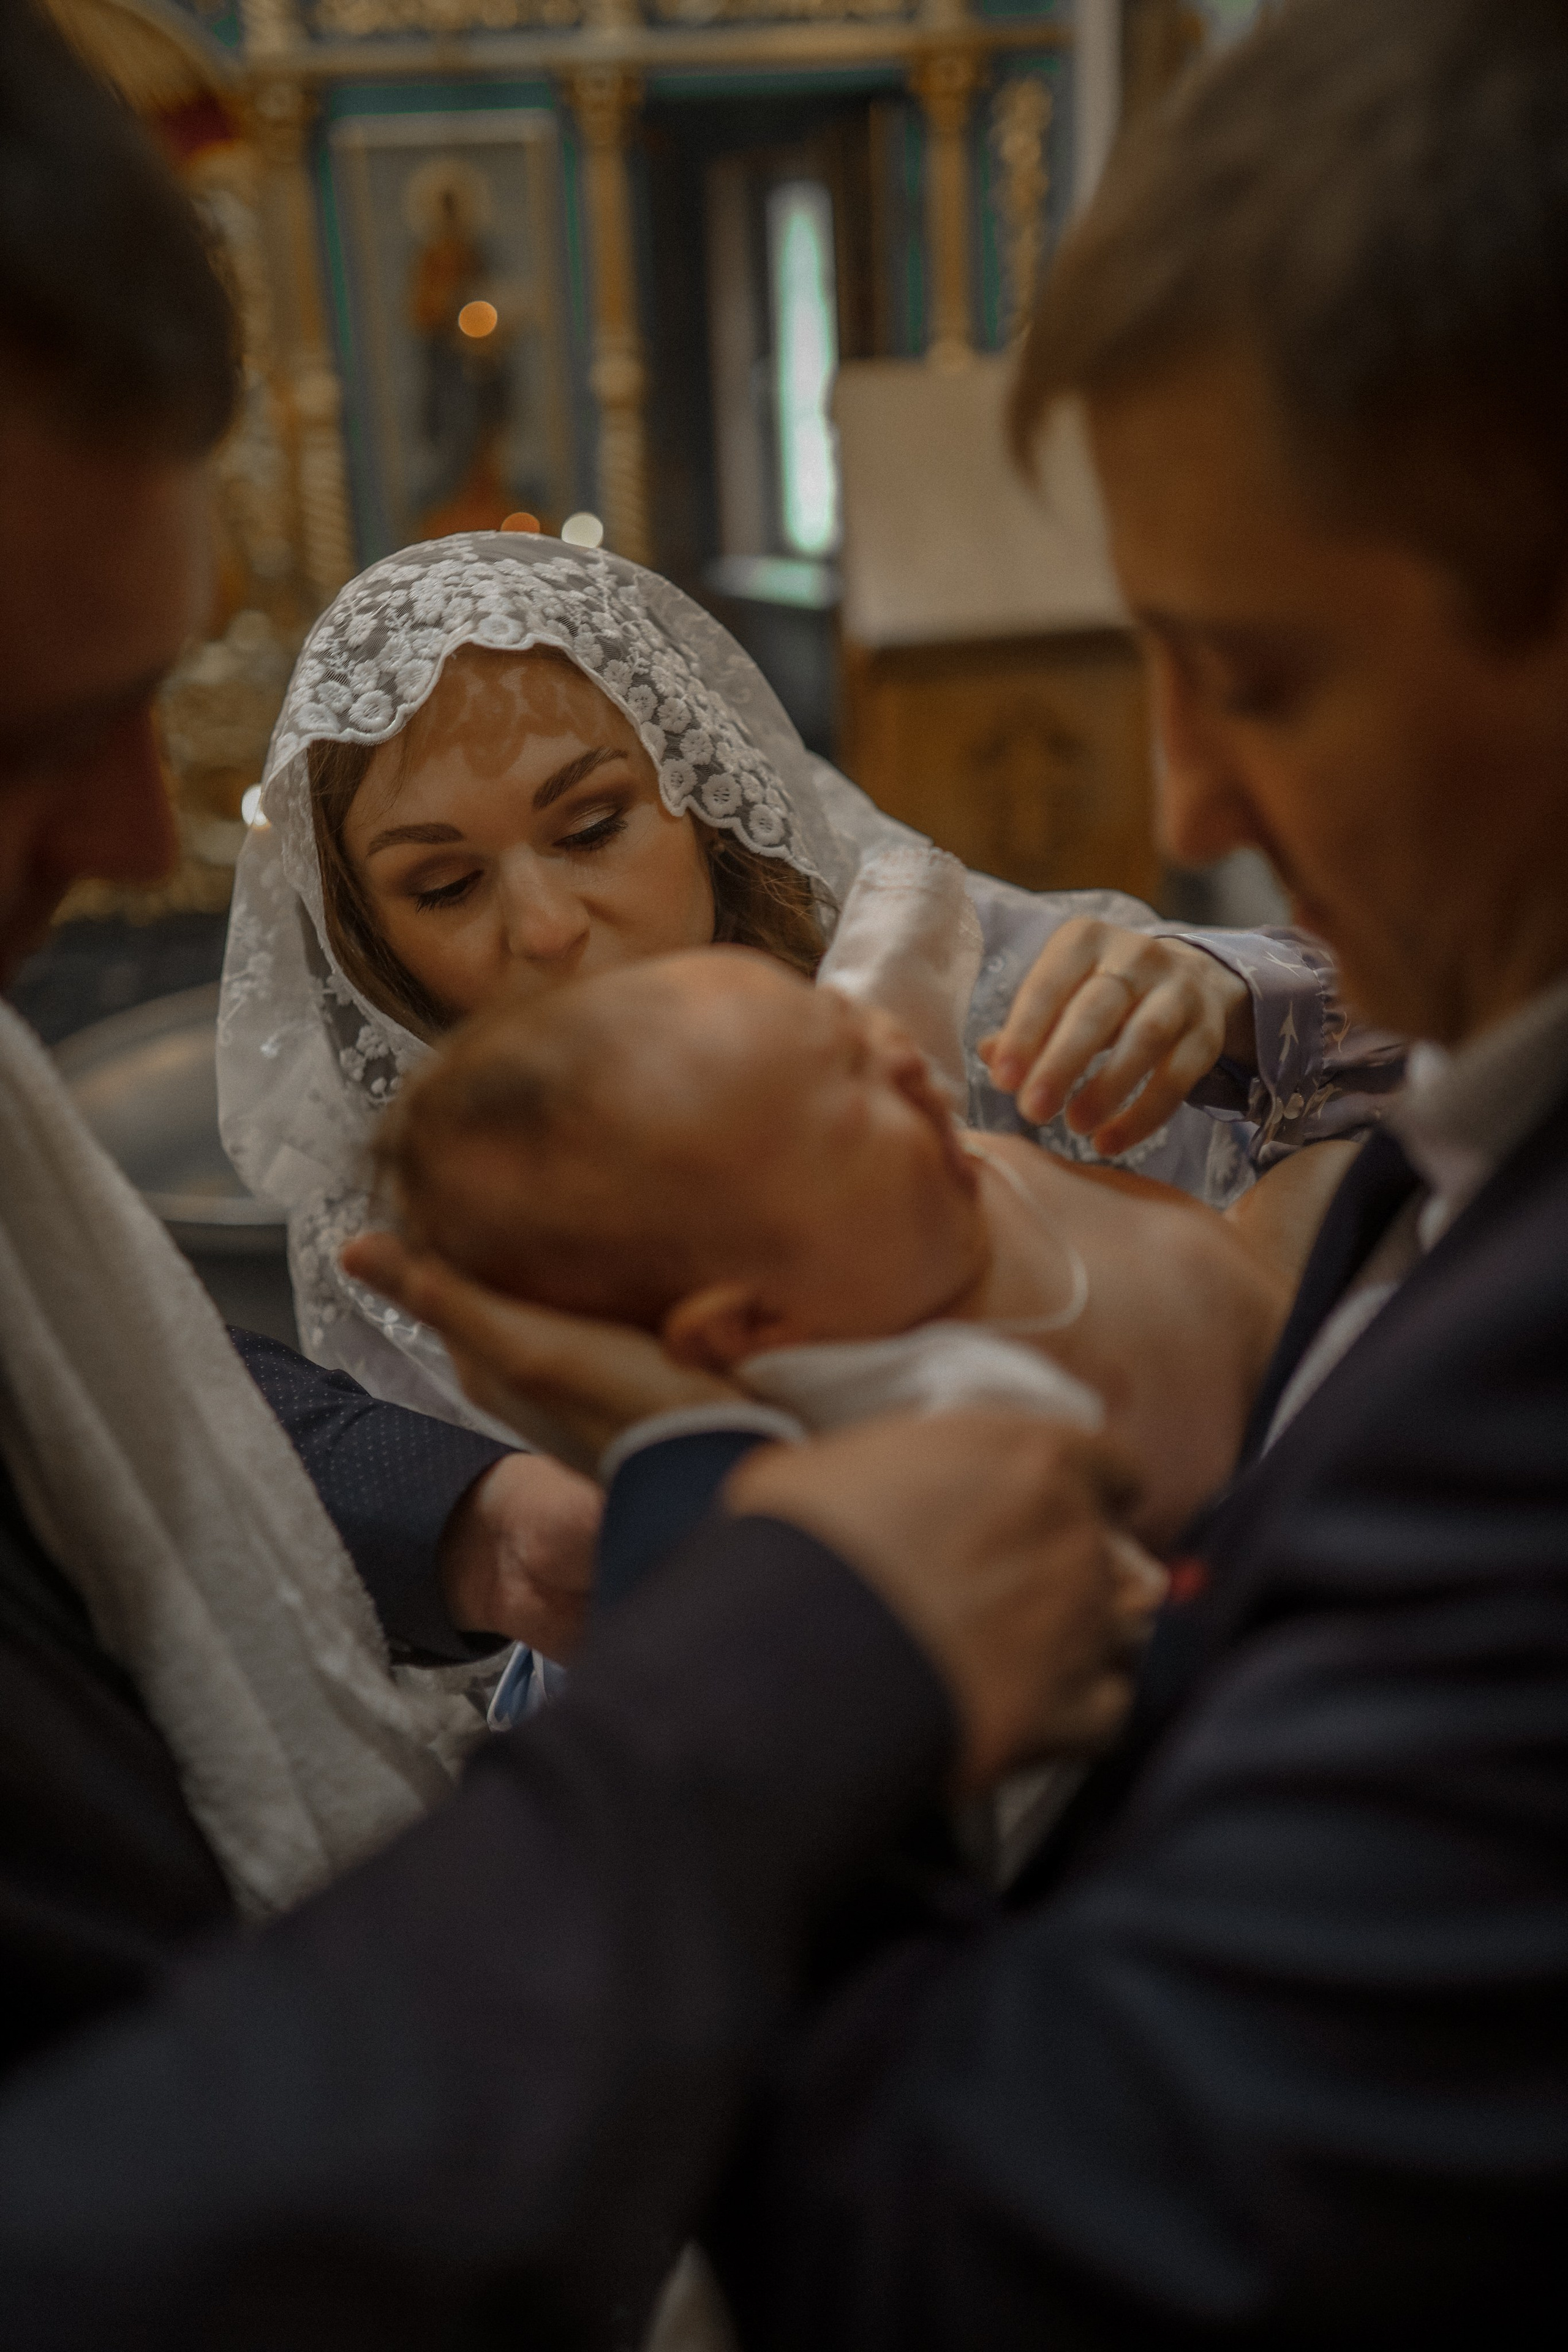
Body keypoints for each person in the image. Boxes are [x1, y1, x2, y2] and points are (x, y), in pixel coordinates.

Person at [348, 0, 1568, 2339]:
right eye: (442, 883)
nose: (1184, 790)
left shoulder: (945, 995)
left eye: (1260, 672)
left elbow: (985, 2246)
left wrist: (721, 1504)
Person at [218, 527, 1400, 1679]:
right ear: (375, 948)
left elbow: (1449, 1039)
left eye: (592, 827)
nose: (545, 928)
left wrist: (1227, 1000)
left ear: (696, 791)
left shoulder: (908, 966)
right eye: (446, 885)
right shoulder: (436, 1250)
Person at [375, 941, 1354, 1548]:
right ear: (755, 1321)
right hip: (1304, 1483)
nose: (899, 1057)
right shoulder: (939, 1411)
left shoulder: (904, 1194)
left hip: (1301, 1316)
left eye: (843, 1025)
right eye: (852, 1090)